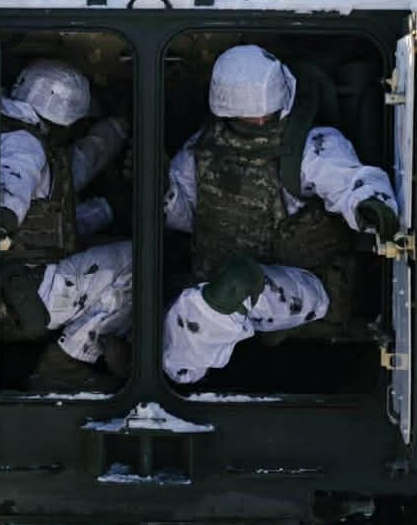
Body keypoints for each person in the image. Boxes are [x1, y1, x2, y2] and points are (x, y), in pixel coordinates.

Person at [161, 44, 399, 385]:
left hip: (305, 284)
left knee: (237, 283)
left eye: (267, 113)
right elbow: (187, 217)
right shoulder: (200, 149)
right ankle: (171, 386)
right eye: (247, 116)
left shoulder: (309, 145)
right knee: (218, 292)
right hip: (215, 281)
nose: (259, 120)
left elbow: (347, 179)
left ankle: (174, 380)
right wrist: (164, 195)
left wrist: (370, 204)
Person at [0, 58, 130, 389]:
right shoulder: (24, 145)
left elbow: (65, 191)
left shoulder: (11, 132)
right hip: (23, 289)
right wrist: (2, 218)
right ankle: (66, 366)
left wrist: (119, 127)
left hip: (14, 282)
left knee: (105, 249)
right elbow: (13, 187)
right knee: (137, 262)